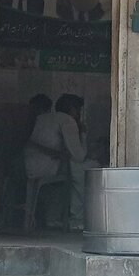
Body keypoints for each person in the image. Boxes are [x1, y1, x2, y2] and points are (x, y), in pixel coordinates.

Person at [24, 93, 93, 231]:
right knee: (86, 170)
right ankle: (77, 220)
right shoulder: (67, 120)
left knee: (67, 176)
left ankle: (53, 218)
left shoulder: (43, 118)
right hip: (45, 166)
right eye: (78, 110)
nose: (79, 113)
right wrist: (83, 134)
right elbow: (79, 155)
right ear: (73, 109)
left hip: (29, 164)